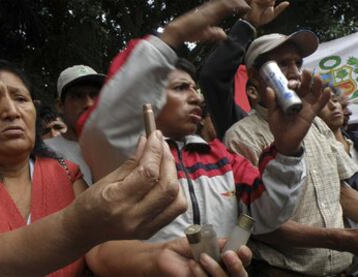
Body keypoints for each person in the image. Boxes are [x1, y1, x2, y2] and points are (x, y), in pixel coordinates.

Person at [80, 0, 329, 258]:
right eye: (180, 88)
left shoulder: (222, 157)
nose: (197, 98)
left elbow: (267, 215)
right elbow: (106, 123)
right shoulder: (128, 155)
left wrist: (287, 152)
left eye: (195, 90)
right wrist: (172, 36)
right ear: (150, 98)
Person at [0, 58, 213, 276]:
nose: (11, 111)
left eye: (21, 99)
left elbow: (98, 251)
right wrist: (74, 226)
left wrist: (157, 257)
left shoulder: (65, 171)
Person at [215, 23, 358, 277]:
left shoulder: (316, 124)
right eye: (281, 64)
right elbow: (256, 222)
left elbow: (342, 192)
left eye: (298, 63)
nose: (294, 73)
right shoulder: (240, 137)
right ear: (255, 79)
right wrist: (338, 239)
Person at [45, 65, 103, 185]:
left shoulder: (116, 147)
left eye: (94, 95)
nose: (89, 103)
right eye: (78, 96)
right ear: (60, 106)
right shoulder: (45, 153)